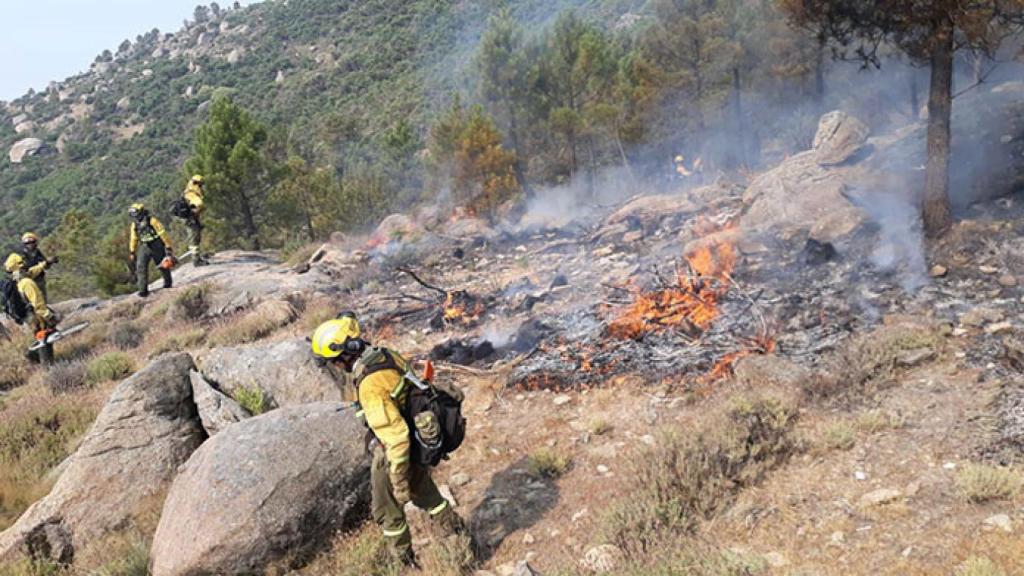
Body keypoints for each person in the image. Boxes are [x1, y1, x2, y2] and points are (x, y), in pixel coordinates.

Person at [310, 313, 465, 566]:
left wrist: (398, 479)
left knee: (387, 509)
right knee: (428, 496)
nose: (334, 367)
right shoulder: (383, 354)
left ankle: (403, 563)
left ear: (343, 354)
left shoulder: (370, 384)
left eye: (332, 361)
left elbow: (397, 438)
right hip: (416, 438)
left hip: (396, 450)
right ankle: (459, 537)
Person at [4, 253, 58, 365]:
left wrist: (45, 264)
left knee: (42, 338)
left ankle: (40, 360)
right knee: (44, 338)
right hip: (36, 317)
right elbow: (38, 304)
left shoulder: (15, 281)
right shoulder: (27, 283)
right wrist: (49, 316)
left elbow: (32, 271)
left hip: (28, 318)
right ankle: (47, 366)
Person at [128, 203, 173, 297]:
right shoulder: (134, 225)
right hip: (144, 246)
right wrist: (132, 251)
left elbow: (162, 233)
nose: (135, 216)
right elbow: (133, 238)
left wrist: (168, 246)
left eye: (135, 213)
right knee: (141, 267)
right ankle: (143, 290)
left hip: (156, 245)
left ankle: (168, 284)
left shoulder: (152, 220)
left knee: (163, 265)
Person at [18, 232, 58, 300]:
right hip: (29, 280)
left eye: (32, 242)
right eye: (27, 243)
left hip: (40, 279)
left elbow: (45, 265)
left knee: (42, 298)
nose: (30, 244)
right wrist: (45, 263)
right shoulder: (22, 255)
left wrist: (50, 262)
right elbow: (26, 270)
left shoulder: (37, 252)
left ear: (35, 242)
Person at [182, 175, 209, 267]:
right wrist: (197, 213)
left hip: (189, 219)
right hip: (191, 220)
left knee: (194, 239)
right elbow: (200, 204)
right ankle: (196, 260)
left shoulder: (188, 191)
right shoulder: (194, 194)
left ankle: (197, 257)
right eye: (201, 184)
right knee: (194, 239)